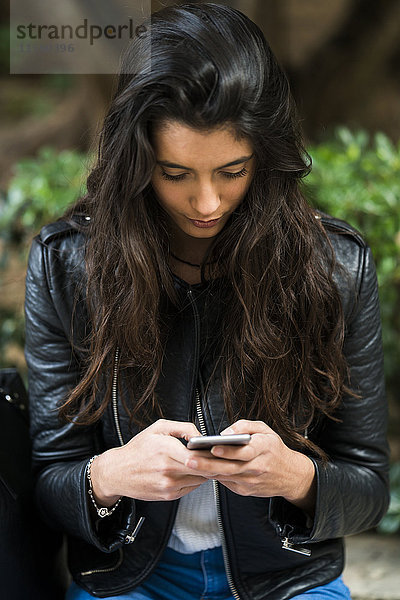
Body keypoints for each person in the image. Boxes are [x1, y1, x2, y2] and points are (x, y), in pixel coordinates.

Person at [24, 3, 390, 600]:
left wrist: (296, 477)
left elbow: (369, 487)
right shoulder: (70, 264)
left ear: (265, 157)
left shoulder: (337, 268)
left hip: (287, 578)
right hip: (128, 578)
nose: (206, 202)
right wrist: (110, 475)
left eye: (232, 170)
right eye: (174, 173)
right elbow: (48, 481)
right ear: (137, 159)